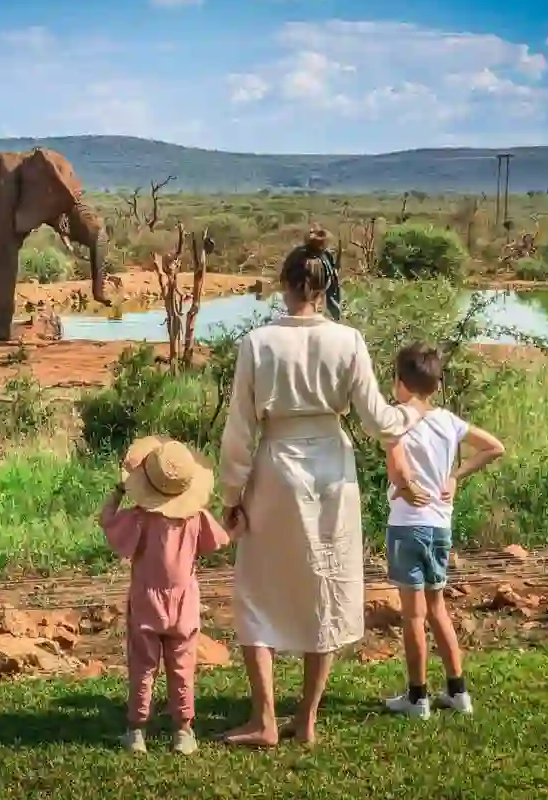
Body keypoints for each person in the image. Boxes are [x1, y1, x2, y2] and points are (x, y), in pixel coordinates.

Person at [217, 227, 426, 747]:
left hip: (275, 469)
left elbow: (241, 429)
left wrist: (230, 496)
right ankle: (306, 719)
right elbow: (378, 419)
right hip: (333, 467)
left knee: (256, 590)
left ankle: (264, 718)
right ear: (325, 286)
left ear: (284, 284)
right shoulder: (348, 339)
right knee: (325, 588)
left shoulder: (258, 343)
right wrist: (412, 411)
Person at [382, 342, 505, 718]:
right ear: (436, 386)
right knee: (438, 610)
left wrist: (404, 486)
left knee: (414, 617)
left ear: (399, 383)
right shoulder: (448, 421)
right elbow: (494, 447)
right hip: (439, 527)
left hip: (407, 526)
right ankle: (458, 692)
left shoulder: (397, 418)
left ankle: (417, 698)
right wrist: (455, 475)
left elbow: (395, 467)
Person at [99, 436, 232, 755]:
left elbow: (106, 521)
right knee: (183, 667)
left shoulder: (140, 518)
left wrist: (120, 490)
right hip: (184, 602)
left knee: (143, 667)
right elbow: (219, 540)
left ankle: (136, 732)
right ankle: (183, 732)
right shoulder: (196, 518)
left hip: (146, 601)